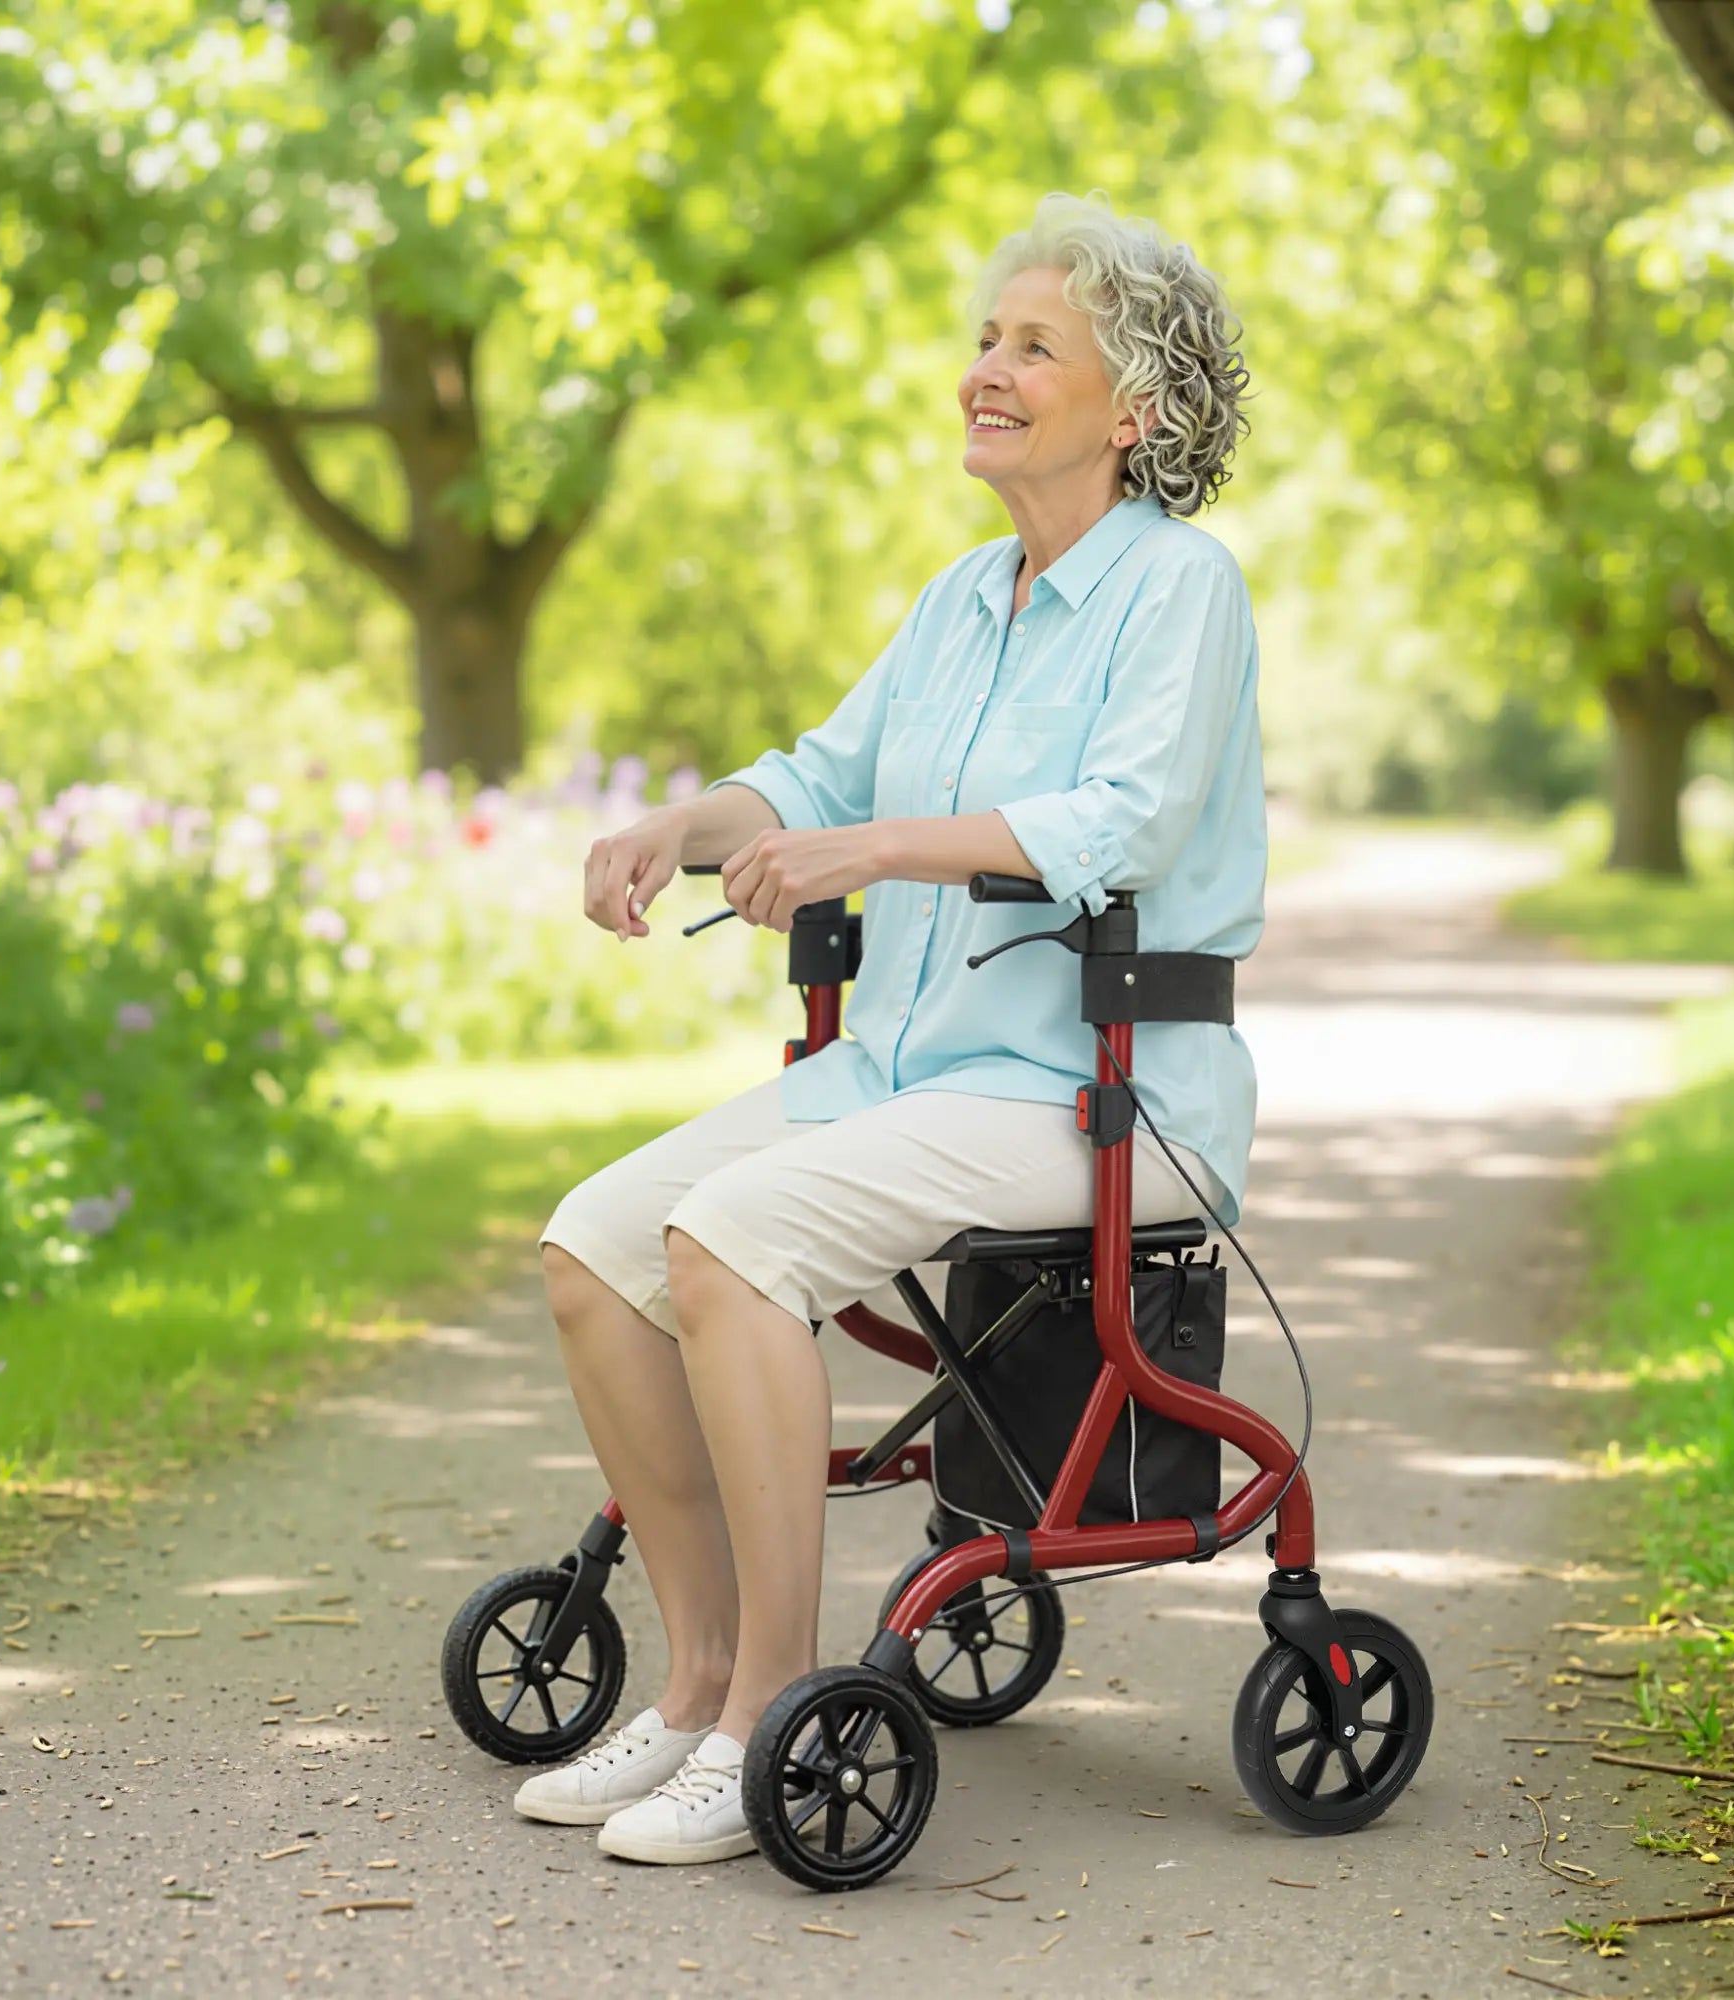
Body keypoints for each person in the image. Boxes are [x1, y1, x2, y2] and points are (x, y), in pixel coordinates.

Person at [521, 189, 1267, 1867]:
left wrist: (870, 853)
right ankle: (698, 1686)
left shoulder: (1181, 590)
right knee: (596, 1248)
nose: (985, 370)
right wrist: (681, 825)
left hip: (1102, 1091)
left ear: (1134, 409)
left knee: (732, 1242)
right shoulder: (962, 599)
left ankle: (772, 1711)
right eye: (986, 339)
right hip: (916, 1073)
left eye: (1033, 347)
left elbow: (1124, 823)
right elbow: (816, 777)